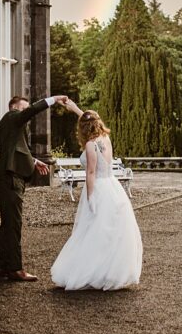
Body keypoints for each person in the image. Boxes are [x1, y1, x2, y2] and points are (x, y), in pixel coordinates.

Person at [51, 104, 143, 291]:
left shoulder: (91, 145)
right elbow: (90, 117)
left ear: (83, 128)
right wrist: (76, 109)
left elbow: (91, 173)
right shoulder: (105, 138)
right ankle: (108, 272)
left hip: (99, 187)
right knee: (109, 232)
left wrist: (90, 197)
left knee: (92, 230)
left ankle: (91, 272)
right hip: (113, 186)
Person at [0, 93, 67, 282]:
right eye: (24, 109)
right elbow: (32, 110)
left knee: (8, 225)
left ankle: (3, 268)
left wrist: (34, 161)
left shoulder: (11, 126)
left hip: (8, 177)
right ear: (15, 108)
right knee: (14, 224)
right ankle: (16, 269)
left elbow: (14, 148)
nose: (27, 113)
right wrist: (53, 100)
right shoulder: (11, 117)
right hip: (10, 178)